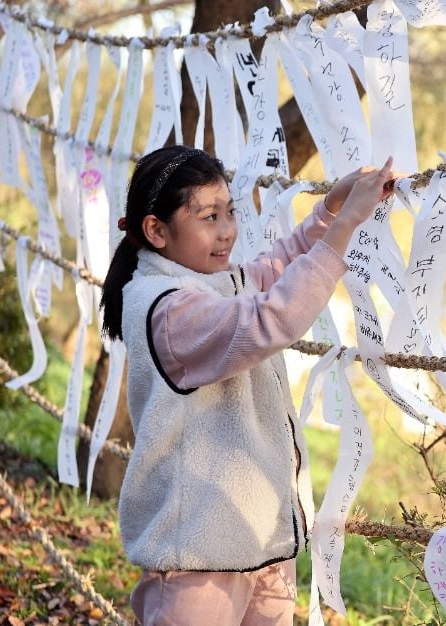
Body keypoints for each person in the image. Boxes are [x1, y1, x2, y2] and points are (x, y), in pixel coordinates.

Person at [99, 145, 394, 625]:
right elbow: (271, 318)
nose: (227, 230)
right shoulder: (169, 309)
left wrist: (331, 209)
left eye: (230, 212)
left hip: (262, 545)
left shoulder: (213, 281)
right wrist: (344, 228)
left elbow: (276, 269)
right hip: (199, 558)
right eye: (209, 217)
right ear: (156, 231)